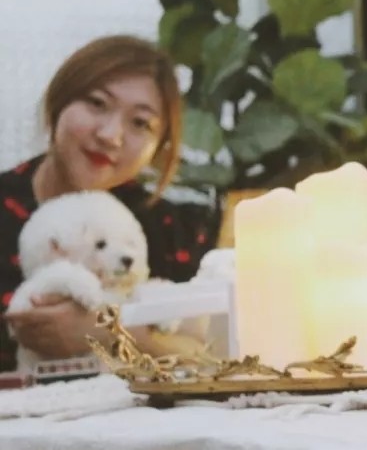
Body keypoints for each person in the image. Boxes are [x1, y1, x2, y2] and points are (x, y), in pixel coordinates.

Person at [0, 35, 217, 373]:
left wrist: (105, 332)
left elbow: (214, 352)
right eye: (97, 104)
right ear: (59, 101)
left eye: (140, 123)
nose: (111, 135)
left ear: (159, 146)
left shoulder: (166, 229)